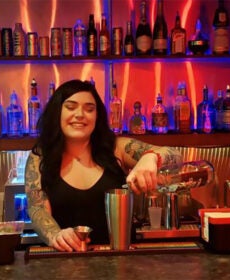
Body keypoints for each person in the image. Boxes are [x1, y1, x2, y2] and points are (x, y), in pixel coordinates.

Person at [25, 79, 182, 252]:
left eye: (89, 109)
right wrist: (55, 235)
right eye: (71, 107)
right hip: (67, 262)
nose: (80, 114)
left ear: (97, 116)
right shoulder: (40, 156)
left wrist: (151, 158)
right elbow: (37, 207)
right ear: (57, 113)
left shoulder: (117, 148)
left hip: (120, 262)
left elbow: (174, 155)